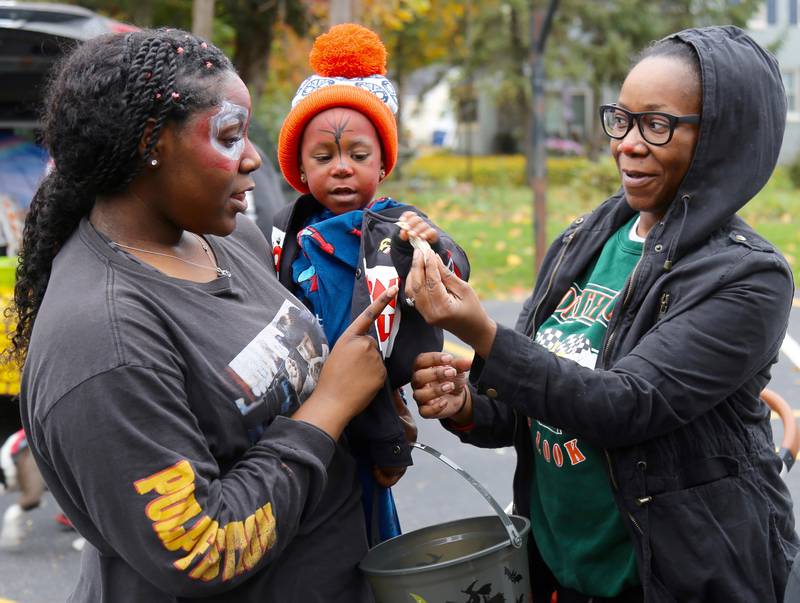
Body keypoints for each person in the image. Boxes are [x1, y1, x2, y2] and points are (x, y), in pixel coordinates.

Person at [405, 25, 798, 603]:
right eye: (622, 119)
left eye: (657, 125)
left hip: (675, 581)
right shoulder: (583, 240)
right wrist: (467, 405)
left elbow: (625, 406)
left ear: (722, 138)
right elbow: (535, 411)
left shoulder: (748, 277)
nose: (628, 144)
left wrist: (481, 333)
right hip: (564, 575)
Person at [8, 28, 398, 602]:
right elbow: (202, 547)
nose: (255, 158)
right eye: (231, 136)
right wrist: (332, 406)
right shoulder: (102, 339)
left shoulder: (229, 239)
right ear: (150, 143)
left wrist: (372, 412)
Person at [272, 23, 470, 545]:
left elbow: (455, 268)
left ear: (382, 163)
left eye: (358, 156)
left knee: (368, 524)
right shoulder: (286, 229)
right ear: (299, 168)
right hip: (306, 403)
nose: (342, 169)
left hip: (373, 392)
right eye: (324, 157)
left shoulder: (397, 223)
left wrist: (431, 247)